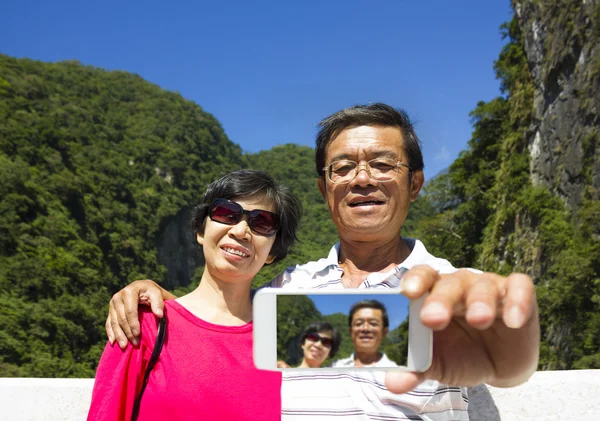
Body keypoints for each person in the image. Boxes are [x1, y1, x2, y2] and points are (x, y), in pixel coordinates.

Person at [105, 103, 540, 421]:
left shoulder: (455, 290)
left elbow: (509, 362)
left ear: (416, 183)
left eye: (384, 164)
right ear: (324, 186)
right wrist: (157, 296)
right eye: (343, 167)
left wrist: (516, 353)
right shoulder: (285, 293)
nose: (363, 178)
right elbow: (218, 318)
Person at [87, 170, 301, 420]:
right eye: (226, 213)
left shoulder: (282, 348)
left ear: (274, 251)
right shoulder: (143, 325)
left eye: (262, 222)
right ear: (201, 231)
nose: (241, 231)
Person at [332, 300, 397, 368]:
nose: (365, 329)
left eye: (373, 323)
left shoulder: (399, 373)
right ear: (350, 331)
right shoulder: (335, 367)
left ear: (385, 332)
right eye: (359, 323)